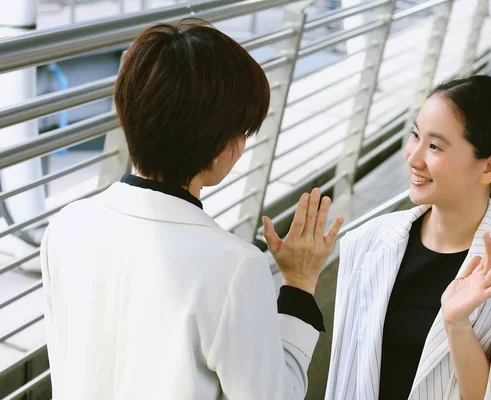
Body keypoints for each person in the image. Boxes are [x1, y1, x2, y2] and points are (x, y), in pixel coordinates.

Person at [40, 19, 343, 400]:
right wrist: (298, 287)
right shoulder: (233, 267)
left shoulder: (66, 227)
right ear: (221, 148)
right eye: (242, 134)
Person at [325, 75, 491, 400]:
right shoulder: (365, 243)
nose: (413, 157)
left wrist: (458, 325)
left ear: (490, 166)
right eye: (415, 135)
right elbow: (346, 378)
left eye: (435, 146)